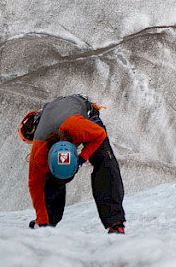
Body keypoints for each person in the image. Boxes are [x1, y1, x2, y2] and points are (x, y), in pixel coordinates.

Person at [18, 94, 126, 233]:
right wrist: (41, 219)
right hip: (64, 116)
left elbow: (100, 135)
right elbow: (35, 183)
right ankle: (48, 221)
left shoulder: (76, 128)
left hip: (85, 117)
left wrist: (82, 158)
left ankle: (115, 222)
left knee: (105, 162)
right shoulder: (39, 149)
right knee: (51, 171)